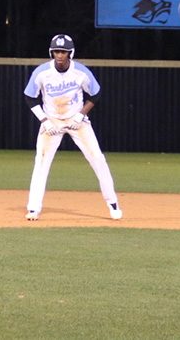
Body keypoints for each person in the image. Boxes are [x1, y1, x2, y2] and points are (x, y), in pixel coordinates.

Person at [23, 34, 122, 221]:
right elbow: (29, 96)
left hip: (77, 121)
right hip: (51, 121)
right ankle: (34, 208)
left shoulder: (80, 72)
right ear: (51, 52)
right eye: (57, 51)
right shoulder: (42, 72)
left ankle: (113, 203)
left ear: (71, 53)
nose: (60, 55)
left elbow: (96, 94)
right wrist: (44, 120)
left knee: (97, 158)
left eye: (64, 52)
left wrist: (81, 114)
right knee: (41, 161)